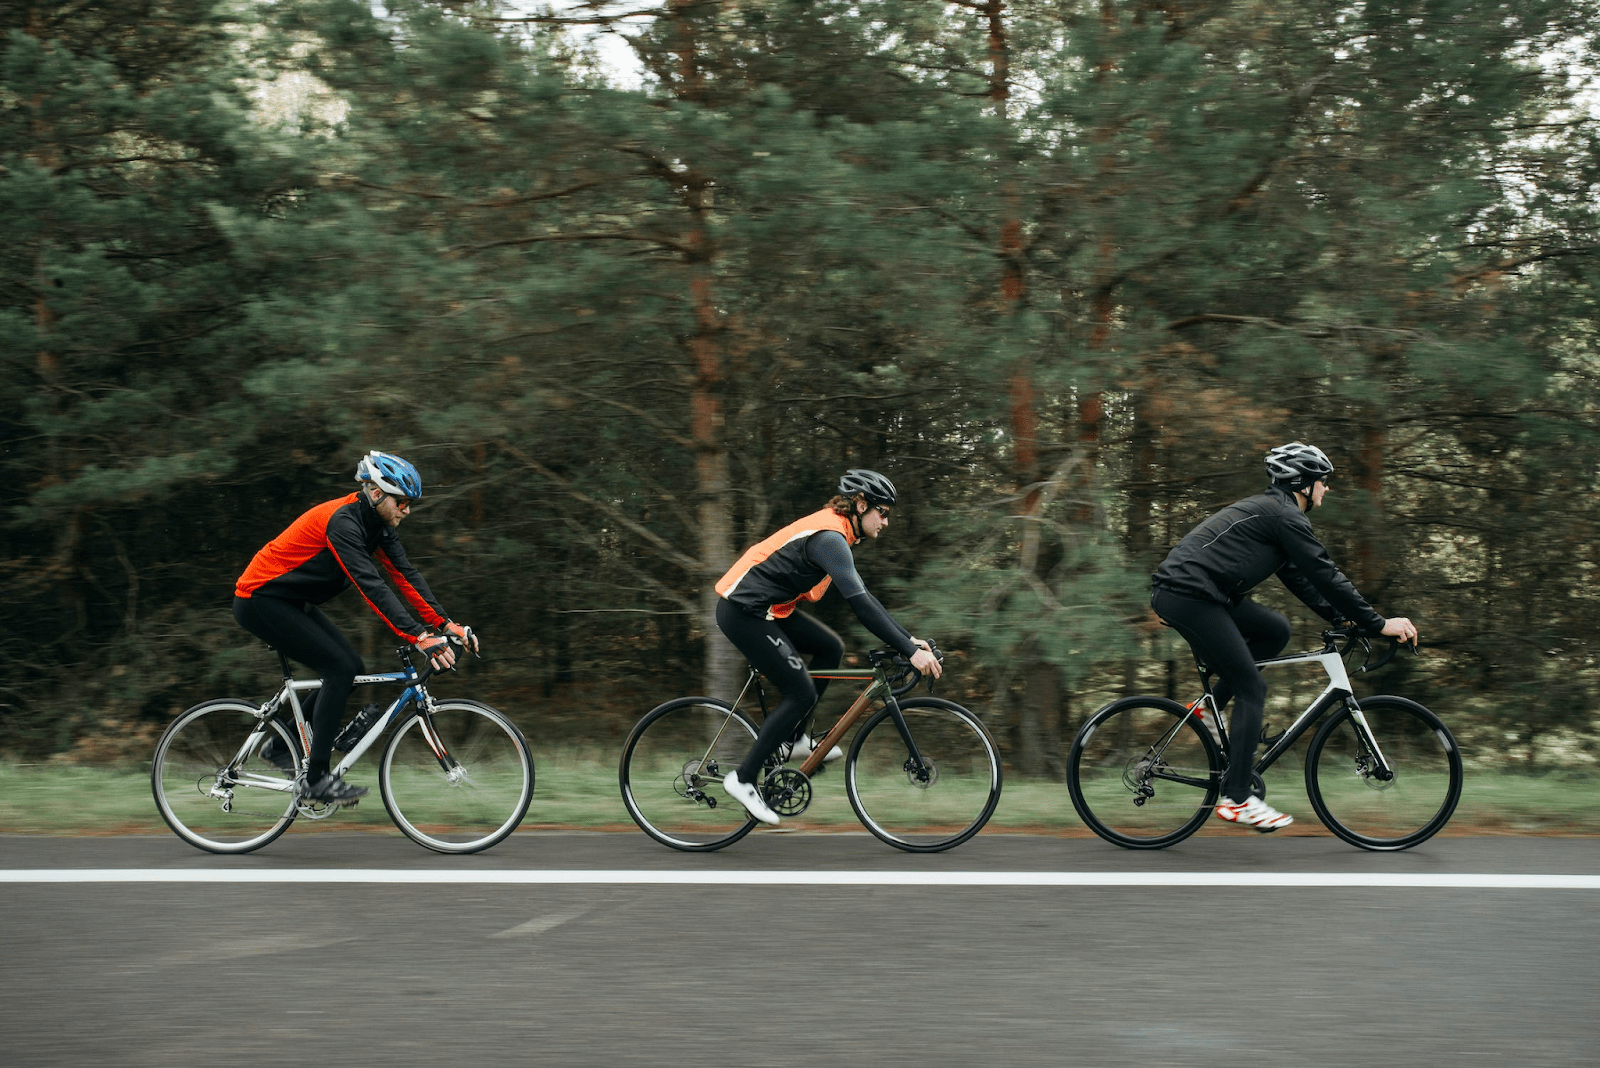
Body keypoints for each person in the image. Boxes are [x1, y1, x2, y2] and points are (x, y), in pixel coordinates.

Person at [1150, 442, 1418, 832]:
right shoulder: (1284, 516)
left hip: (1204, 594)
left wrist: (1345, 619)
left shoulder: (1280, 515)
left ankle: (1209, 709)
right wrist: (1378, 623)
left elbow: (1302, 579)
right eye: (1322, 482)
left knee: (1275, 631)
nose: (1326, 489)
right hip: (1187, 596)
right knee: (1253, 689)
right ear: (1303, 483)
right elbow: (1325, 572)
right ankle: (1238, 798)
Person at [232, 451, 480, 803]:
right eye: (402, 502)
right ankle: (315, 779)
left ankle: (280, 746)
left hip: (290, 602)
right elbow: (370, 584)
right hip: (259, 600)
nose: (407, 510)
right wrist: (418, 635)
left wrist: (445, 624)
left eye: (411, 503)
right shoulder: (343, 523)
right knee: (339, 668)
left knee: (351, 669)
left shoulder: (377, 526)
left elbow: (405, 576)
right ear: (376, 493)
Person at [713, 469, 943, 825]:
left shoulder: (839, 534)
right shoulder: (829, 538)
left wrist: (907, 639)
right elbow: (861, 604)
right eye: (882, 512)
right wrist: (911, 652)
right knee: (800, 693)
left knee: (830, 647)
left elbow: (866, 597)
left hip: (769, 609)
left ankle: (796, 739)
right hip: (743, 612)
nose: (885, 522)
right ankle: (742, 779)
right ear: (860, 504)